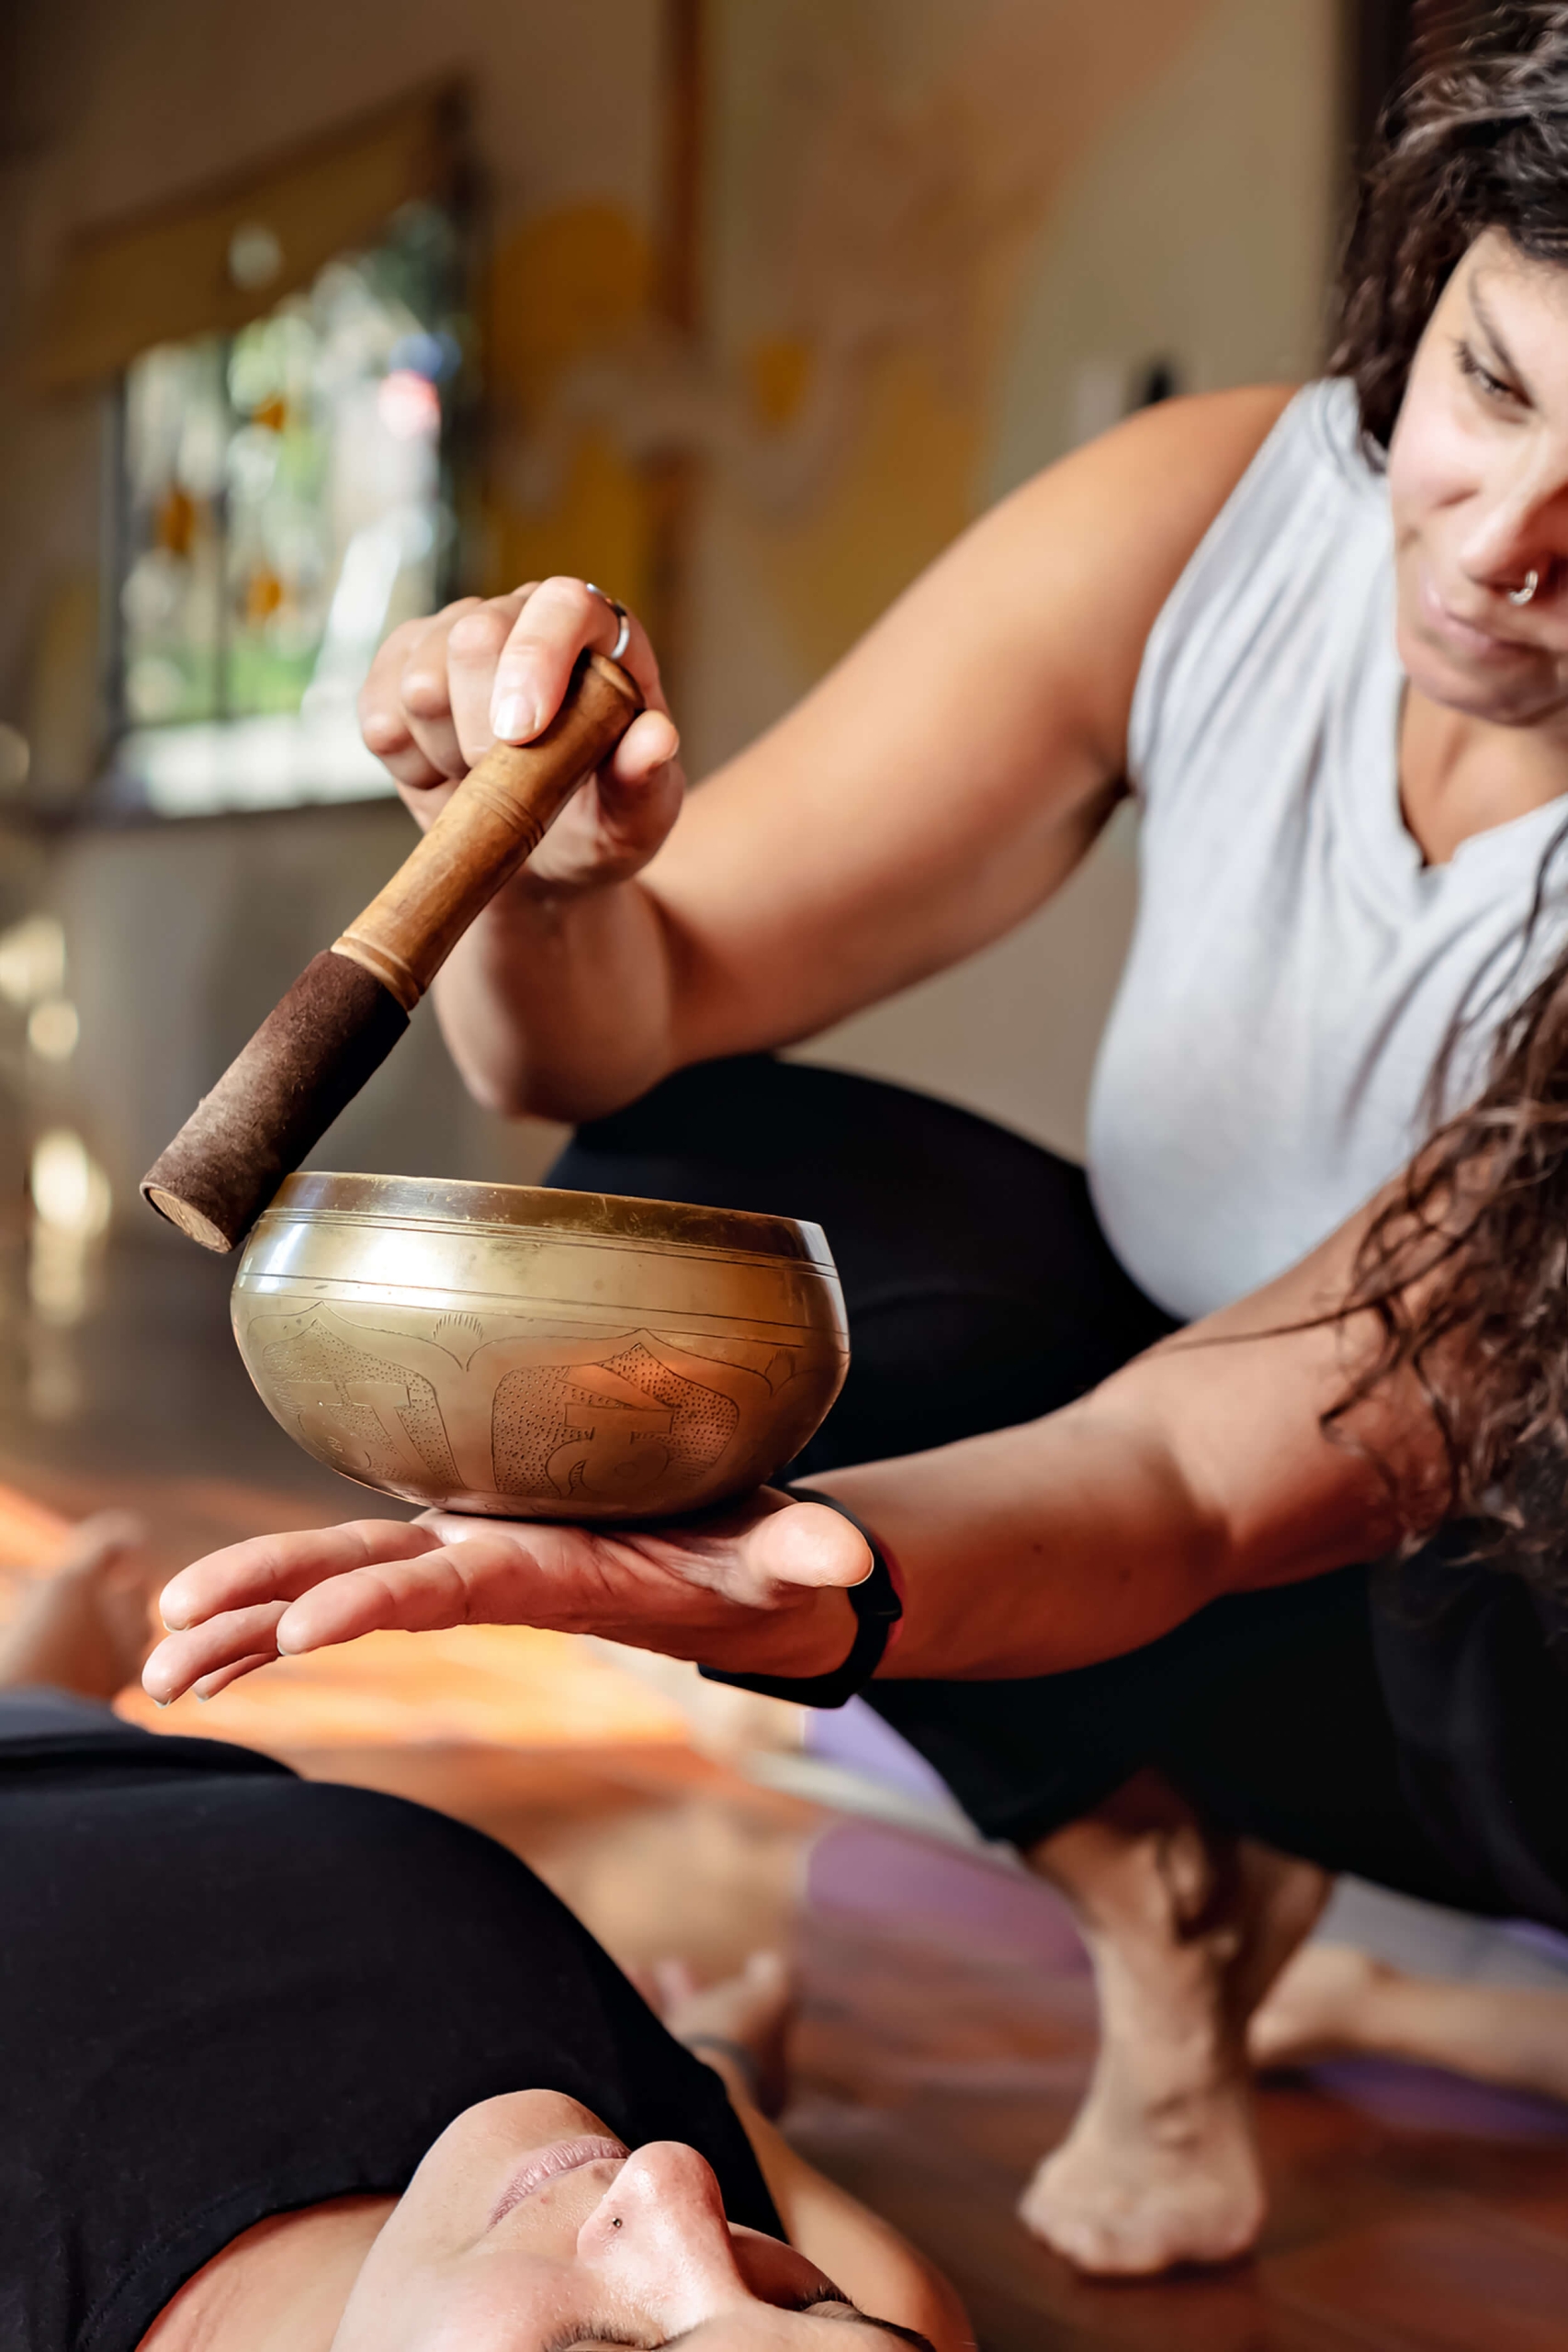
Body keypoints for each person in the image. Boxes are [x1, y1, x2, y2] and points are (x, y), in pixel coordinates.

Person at [148, 1, 1568, 2280]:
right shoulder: (1230, 510)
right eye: (1487, 381)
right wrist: (528, 859)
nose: (1495, 542)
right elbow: (622, 1022)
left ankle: (1327, 1929)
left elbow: (1200, 1480)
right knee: (692, 1197)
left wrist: (818, 1574)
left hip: (1489, 1651)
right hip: (1210, 1515)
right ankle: (1159, 1900)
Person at [1, 1517, 969, 2352]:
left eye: (605, 2344)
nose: (674, 2176)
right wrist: (716, 2062)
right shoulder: (895, 2304)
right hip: (140, 1783)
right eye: (808, 2303)